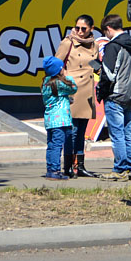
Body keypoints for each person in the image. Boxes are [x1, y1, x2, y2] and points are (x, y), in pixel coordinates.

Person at [98, 13, 131, 181]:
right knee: (129, 131)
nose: (105, 36)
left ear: (109, 29)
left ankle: (120, 169)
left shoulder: (113, 46)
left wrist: (101, 91)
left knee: (117, 133)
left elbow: (109, 75)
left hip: (115, 95)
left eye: (105, 32)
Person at [55, 14, 100, 177]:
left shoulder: (94, 44)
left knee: (82, 131)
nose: (79, 31)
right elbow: (55, 64)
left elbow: (96, 64)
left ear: (91, 29)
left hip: (87, 91)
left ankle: (80, 166)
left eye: (83, 29)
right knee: (72, 130)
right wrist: (64, 80)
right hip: (72, 89)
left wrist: (102, 73)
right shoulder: (68, 42)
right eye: (77, 28)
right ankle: (68, 166)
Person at [40, 56, 77, 180]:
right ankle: (56, 171)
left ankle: (50, 169)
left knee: (51, 145)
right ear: (59, 70)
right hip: (61, 121)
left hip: (50, 120)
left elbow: (60, 97)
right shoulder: (59, 83)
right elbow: (74, 87)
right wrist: (68, 75)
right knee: (57, 145)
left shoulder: (46, 83)